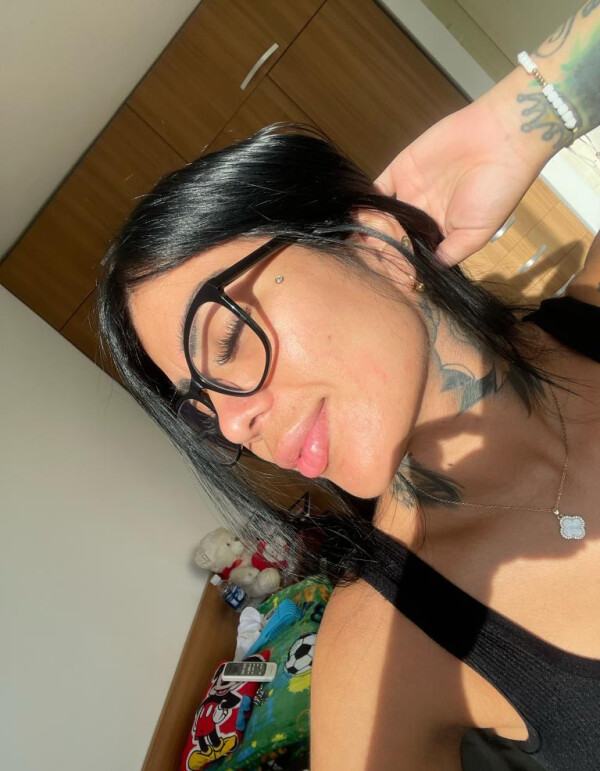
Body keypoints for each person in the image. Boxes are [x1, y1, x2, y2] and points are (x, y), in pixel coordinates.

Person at [96, 3, 599, 769]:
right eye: (201, 407)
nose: (232, 425)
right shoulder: (381, 651)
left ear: (375, 248)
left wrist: (521, 118)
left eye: (227, 341)